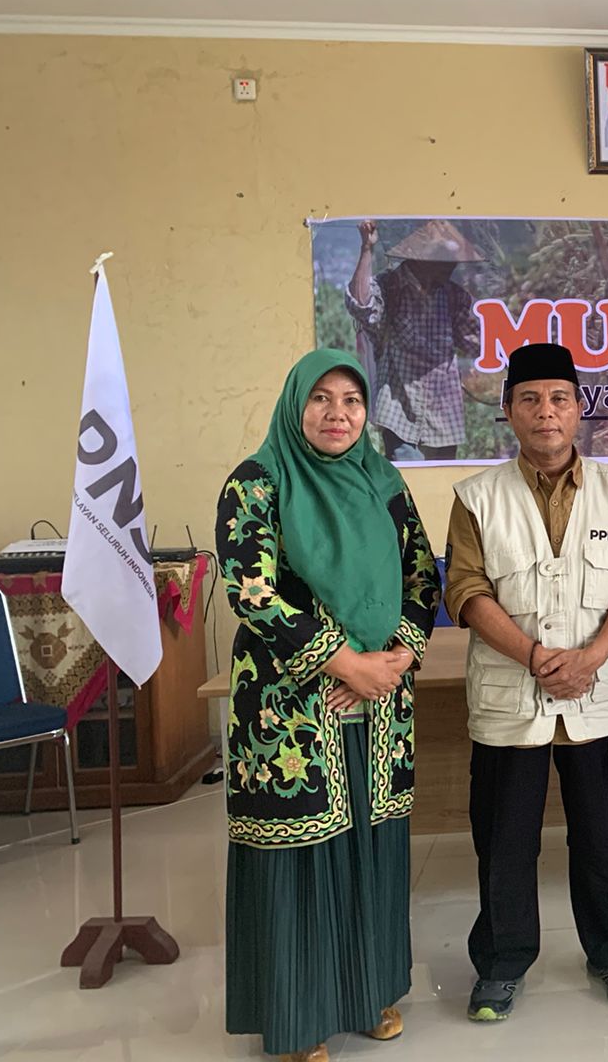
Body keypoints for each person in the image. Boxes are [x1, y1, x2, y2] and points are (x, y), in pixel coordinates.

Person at [217, 349, 441, 1062]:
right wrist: (344, 662)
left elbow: (422, 578)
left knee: (371, 847)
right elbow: (250, 590)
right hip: (288, 711)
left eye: (351, 400)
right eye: (321, 398)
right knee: (300, 856)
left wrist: (396, 658)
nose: (337, 413)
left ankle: (368, 992)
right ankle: (298, 1017)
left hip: (380, 706)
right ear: (296, 405)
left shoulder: (385, 481)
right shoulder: (257, 482)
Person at [443, 342, 608, 1023]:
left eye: (559, 398)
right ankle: (501, 964)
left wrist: (591, 656)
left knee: (604, 837)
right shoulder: (476, 497)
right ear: (508, 411)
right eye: (530, 399)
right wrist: (536, 656)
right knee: (505, 841)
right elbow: (465, 590)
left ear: (578, 409)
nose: (546, 412)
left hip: (597, 693)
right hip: (512, 695)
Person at [346, 217, 483, 460]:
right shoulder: (390, 286)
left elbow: (475, 343)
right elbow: (361, 305)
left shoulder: (453, 295)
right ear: (423, 258)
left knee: (444, 481)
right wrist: (367, 249)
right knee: (408, 479)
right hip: (401, 413)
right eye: (445, 258)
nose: (452, 266)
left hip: (444, 418)